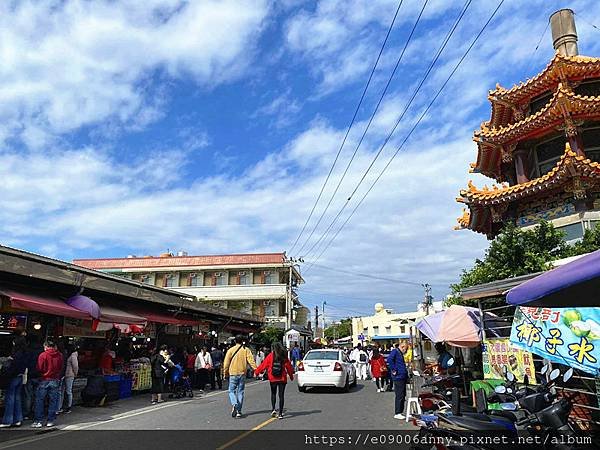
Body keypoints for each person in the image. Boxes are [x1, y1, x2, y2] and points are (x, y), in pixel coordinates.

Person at [254, 342, 293, 419]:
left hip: (273, 378)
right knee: (281, 396)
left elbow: (263, 365)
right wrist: (291, 376)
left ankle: (273, 409)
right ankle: (281, 413)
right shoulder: (284, 356)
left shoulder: (270, 356)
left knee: (273, 394)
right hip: (282, 378)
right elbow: (289, 367)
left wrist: (256, 372)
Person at [32, 339, 64, 428]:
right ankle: (50, 420)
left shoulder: (43, 355)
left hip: (44, 379)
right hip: (55, 379)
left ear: (46, 346)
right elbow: (61, 367)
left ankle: (39, 421)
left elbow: (39, 368)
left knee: (40, 400)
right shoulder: (59, 355)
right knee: (53, 401)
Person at [223, 335, 256, 418]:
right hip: (242, 373)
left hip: (233, 373)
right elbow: (251, 361)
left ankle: (234, 403)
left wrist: (225, 373)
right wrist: (256, 369)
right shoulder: (246, 350)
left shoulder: (230, 350)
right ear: (242, 341)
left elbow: (226, 363)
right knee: (240, 391)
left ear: (234, 341)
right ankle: (239, 411)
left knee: (231, 391)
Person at [0, 337, 27, 428]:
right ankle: (18, 419)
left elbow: (12, 368)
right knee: (17, 399)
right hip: (20, 377)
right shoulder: (24, 353)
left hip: (13, 378)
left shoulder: (16, 355)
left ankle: (8, 420)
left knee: (10, 399)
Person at [387, 342, 408, 420]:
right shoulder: (395, 351)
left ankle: (400, 411)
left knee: (402, 394)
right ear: (402, 347)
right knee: (400, 395)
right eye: (406, 349)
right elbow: (389, 359)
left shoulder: (398, 352)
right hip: (398, 376)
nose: (406, 351)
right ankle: (398, 412)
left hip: (401, 376)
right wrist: (394, 369)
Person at [60, 344, 79, 414]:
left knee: (68, 391)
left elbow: (75, 366)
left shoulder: (73, 355)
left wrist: (75, 373)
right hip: (66, 375)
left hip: (69, 375)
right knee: (63, 391)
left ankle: (68, 406)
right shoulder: (69, 355)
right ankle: (61, 406)